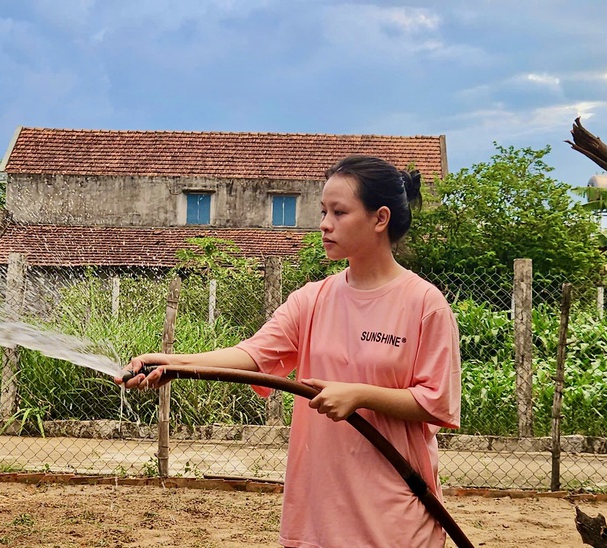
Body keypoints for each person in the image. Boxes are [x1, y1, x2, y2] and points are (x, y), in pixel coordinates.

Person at [117, 155, 462, 547]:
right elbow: (252, 355)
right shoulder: (312, 300)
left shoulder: (424, 304)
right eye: (323, 211)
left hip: (395, 514)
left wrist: (359, 396)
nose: (324, 223)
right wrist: (173, 363)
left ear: (380, 219)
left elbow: (436, 401)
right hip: (320, 509)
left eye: (339, 212)